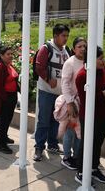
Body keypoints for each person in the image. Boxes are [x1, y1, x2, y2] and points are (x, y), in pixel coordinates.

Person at [75, 46, 105, 185]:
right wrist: (103, 94)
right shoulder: (82, 76)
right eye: (100, 58)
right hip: (89, 116)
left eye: (102, 58)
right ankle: (81, 171)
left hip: (103, 114)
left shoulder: (104, 70)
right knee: (87, 143)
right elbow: (86, 99)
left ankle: (93, 168)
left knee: (98, 142)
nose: (103, 61)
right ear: (91, 59)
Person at [34, 24, 70, 161]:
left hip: (60, 93)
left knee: (57, 119)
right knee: (43, 120)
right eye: (63, 36)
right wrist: (48, 79)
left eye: (67, 36)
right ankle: (39, 147)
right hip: (47, 91)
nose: (65, 39)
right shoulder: (46, 48)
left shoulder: (67, 50)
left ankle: (53, 144)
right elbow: (38, 67)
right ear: (55, 36)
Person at [60, 37, 87, 170]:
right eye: (79, 46)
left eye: (84, 46)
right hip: (72, 103)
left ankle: (76, 156)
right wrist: (70, 103)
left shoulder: (88, 62)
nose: (83, 49)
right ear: (74, 48)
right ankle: (66, 157)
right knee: (70, 131)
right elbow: (64, 83)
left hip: (84, 104)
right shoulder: (70, 62)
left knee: (79, 132)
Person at [0, 46, 18, 154]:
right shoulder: (0, 67)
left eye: (11, 54)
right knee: (3, 121)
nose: (10, 56)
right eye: (8, 54)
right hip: (5, 98)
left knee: (8, 119)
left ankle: (4, 137)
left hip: (12, 96)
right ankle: (1, 144)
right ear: (2, 56)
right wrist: (6, 98)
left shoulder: (8, 65)